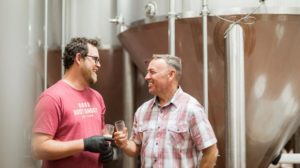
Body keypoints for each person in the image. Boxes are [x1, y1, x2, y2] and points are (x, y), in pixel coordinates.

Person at [114, 54, 219, 168]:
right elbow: (136, 148)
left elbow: (211, 152)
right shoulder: (142, 110)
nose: (146, 77)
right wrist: (124, 144)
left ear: (171, 75)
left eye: (152, 72)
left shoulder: (192, 108)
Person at [31, 37, 114, 168]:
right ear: (79, 58)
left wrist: (106, 150)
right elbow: (38, 148)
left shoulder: (97, 97)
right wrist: (84, 144)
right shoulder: (52, 97)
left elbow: (101, 134)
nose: (99, 65)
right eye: (95, 59)